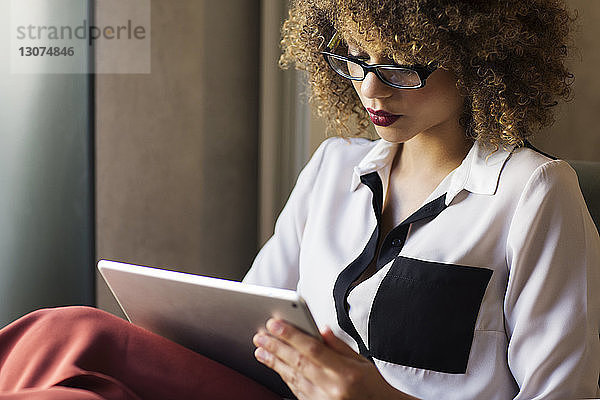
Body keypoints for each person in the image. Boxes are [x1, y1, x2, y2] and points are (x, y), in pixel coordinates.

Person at [0, 0, 598, 399]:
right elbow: (247, 328)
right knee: (65, 334)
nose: (371, 87)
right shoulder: (333, 166)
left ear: (484, 60)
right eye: (357, 59)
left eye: (401, 66)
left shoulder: (534, 194)